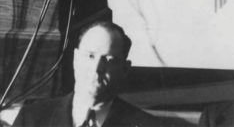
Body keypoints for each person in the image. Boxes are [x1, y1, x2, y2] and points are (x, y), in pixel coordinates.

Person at [12, 21, 157, 127]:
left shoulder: (147, 125)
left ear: (124, 69)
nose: (96, 68)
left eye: (108, 60)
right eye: (90, 56)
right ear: (76, 59)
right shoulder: (31, 120)